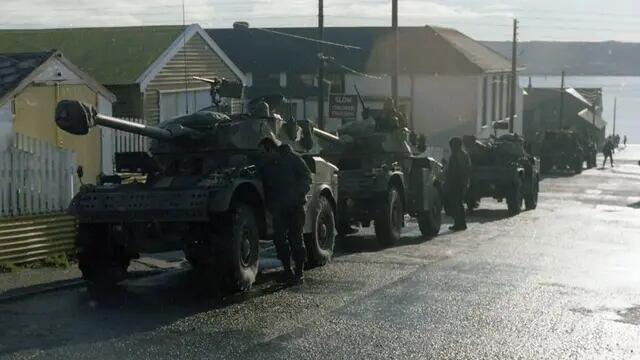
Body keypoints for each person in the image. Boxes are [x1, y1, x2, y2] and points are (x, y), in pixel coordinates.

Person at [258, 137, 312, 284]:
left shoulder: (291, 157)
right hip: (279, 208)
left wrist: (297, 194)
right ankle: (287, 270)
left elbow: (307, 176)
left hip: (295, 206)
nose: (262, 156)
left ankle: (299, 273)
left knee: (296, 239)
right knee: (279, 240)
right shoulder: (266, 165)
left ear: (271, 149)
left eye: (263, 153)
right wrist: (271, 206)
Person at [445, 137, 472, 231]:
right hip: (461, 183)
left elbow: (453, 172)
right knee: (459, 204)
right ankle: (461, 223)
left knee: (456, 204)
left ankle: (459, 224)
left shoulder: (456, 156)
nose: (451, 148)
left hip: (456, 183)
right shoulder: (464, 155)